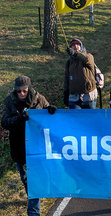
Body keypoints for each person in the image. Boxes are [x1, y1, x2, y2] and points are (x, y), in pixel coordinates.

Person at [1, 75, 56, 216]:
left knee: (33, 181)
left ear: (29, 88)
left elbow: (48, 111)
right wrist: (19, 119)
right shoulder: (9, 102)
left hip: (37, 147)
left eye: (24, 91)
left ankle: (33, 211)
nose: (21, 94)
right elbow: (5, 122)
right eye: (18, 91)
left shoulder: (38, 99)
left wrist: (51, 110)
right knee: (26, 179)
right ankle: (33, 194)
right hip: (19, 148)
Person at [64, 38, 98, 109]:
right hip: (74, 98)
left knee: (90, 119)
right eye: (73, 45)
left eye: (77, 44)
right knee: (75, 119)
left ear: (81, 46)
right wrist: (66, 94)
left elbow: (85, 59)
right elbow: (67, 80)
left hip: (89, 96)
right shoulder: (69, 62)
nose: (75, 46)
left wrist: (75, 54)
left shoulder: (89, 56)